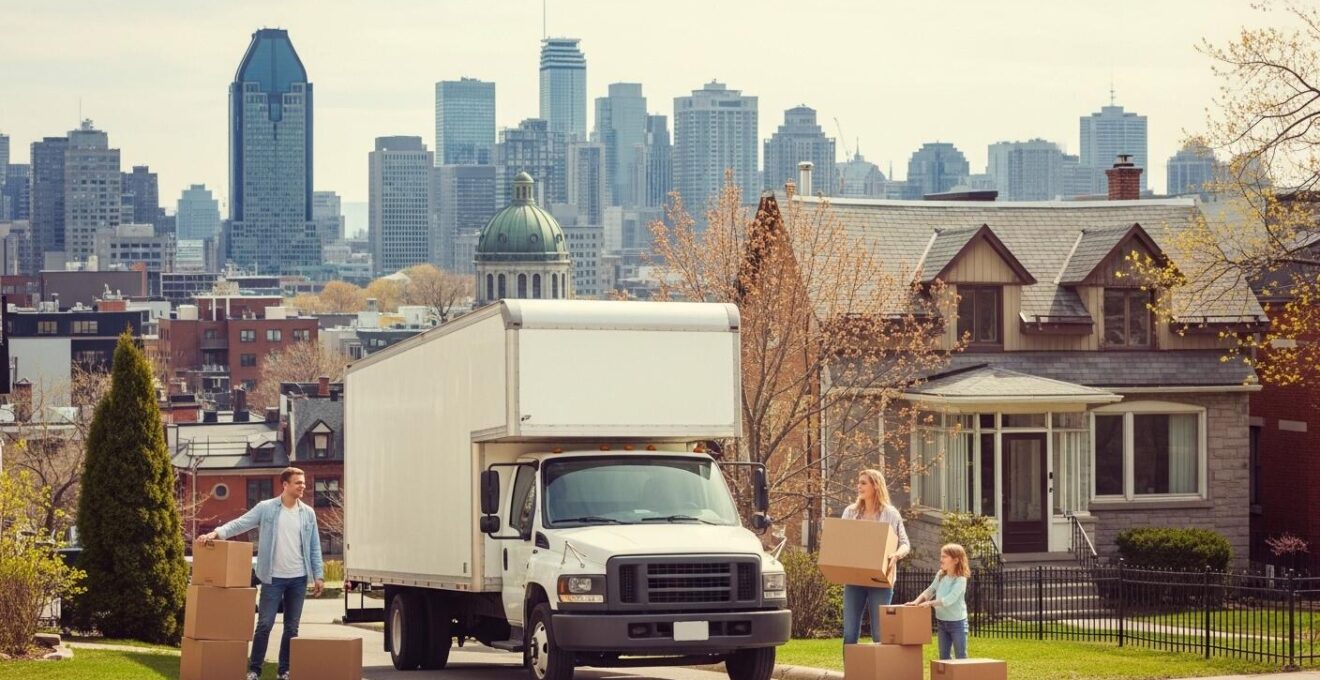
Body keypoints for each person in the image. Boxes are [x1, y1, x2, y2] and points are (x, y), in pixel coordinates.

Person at [197, 467, 324, 680]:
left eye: (303, 482)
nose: (302, 486)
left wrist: (318, 575)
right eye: (298, 482)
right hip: (272, 578)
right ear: (285, 485)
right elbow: (241, 523)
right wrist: (216, 533)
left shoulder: (308, 513)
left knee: (292, 628)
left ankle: (284, 671)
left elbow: (314, 546)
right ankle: (254, 670)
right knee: (264, 624)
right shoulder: (267, 508)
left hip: (299, 578)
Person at [840, 468, 911, 645]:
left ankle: (878, 672)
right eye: (859, 482)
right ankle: (852, 672)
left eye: (863, 483)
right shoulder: (850, 512)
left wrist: (896, 554)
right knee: (849, 633)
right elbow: (841, 541)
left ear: (875, 486)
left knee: (879, 633)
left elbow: (905, 543)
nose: (859, 486)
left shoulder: (890, 513)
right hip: (855, 578)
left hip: (880, 579)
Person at [907, 543, 971, 660]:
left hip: (958, 624)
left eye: (944, 557)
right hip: (942, 623)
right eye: (941, 556)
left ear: (956, 560)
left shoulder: (961, 579)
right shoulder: (941, 575)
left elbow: (950, 599)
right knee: (944, 658)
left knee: (961, 657)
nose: (941, 559)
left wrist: (930, 603)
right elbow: (930, 590)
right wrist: (916, 602)